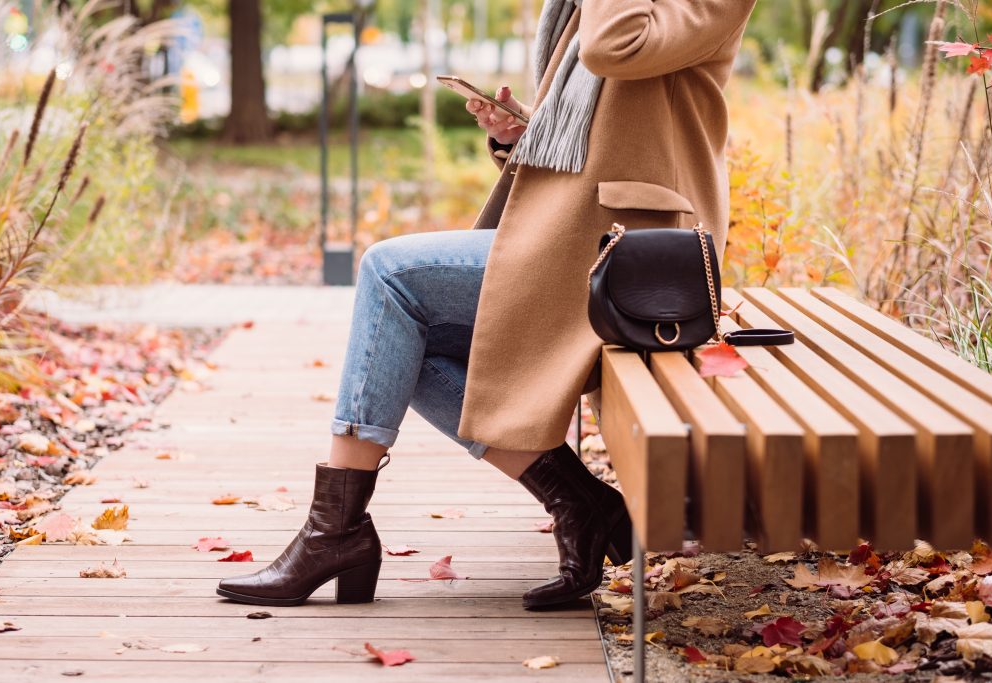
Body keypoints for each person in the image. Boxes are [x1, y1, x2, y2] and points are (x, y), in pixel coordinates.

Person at [217, 0, 757, 611]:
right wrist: (523, 132)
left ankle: (335, 534)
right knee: (401, 336)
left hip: (633, 250)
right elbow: (607, 122)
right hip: (581, 231)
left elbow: (614, 47)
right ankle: (576, 503)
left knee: (389, 275)